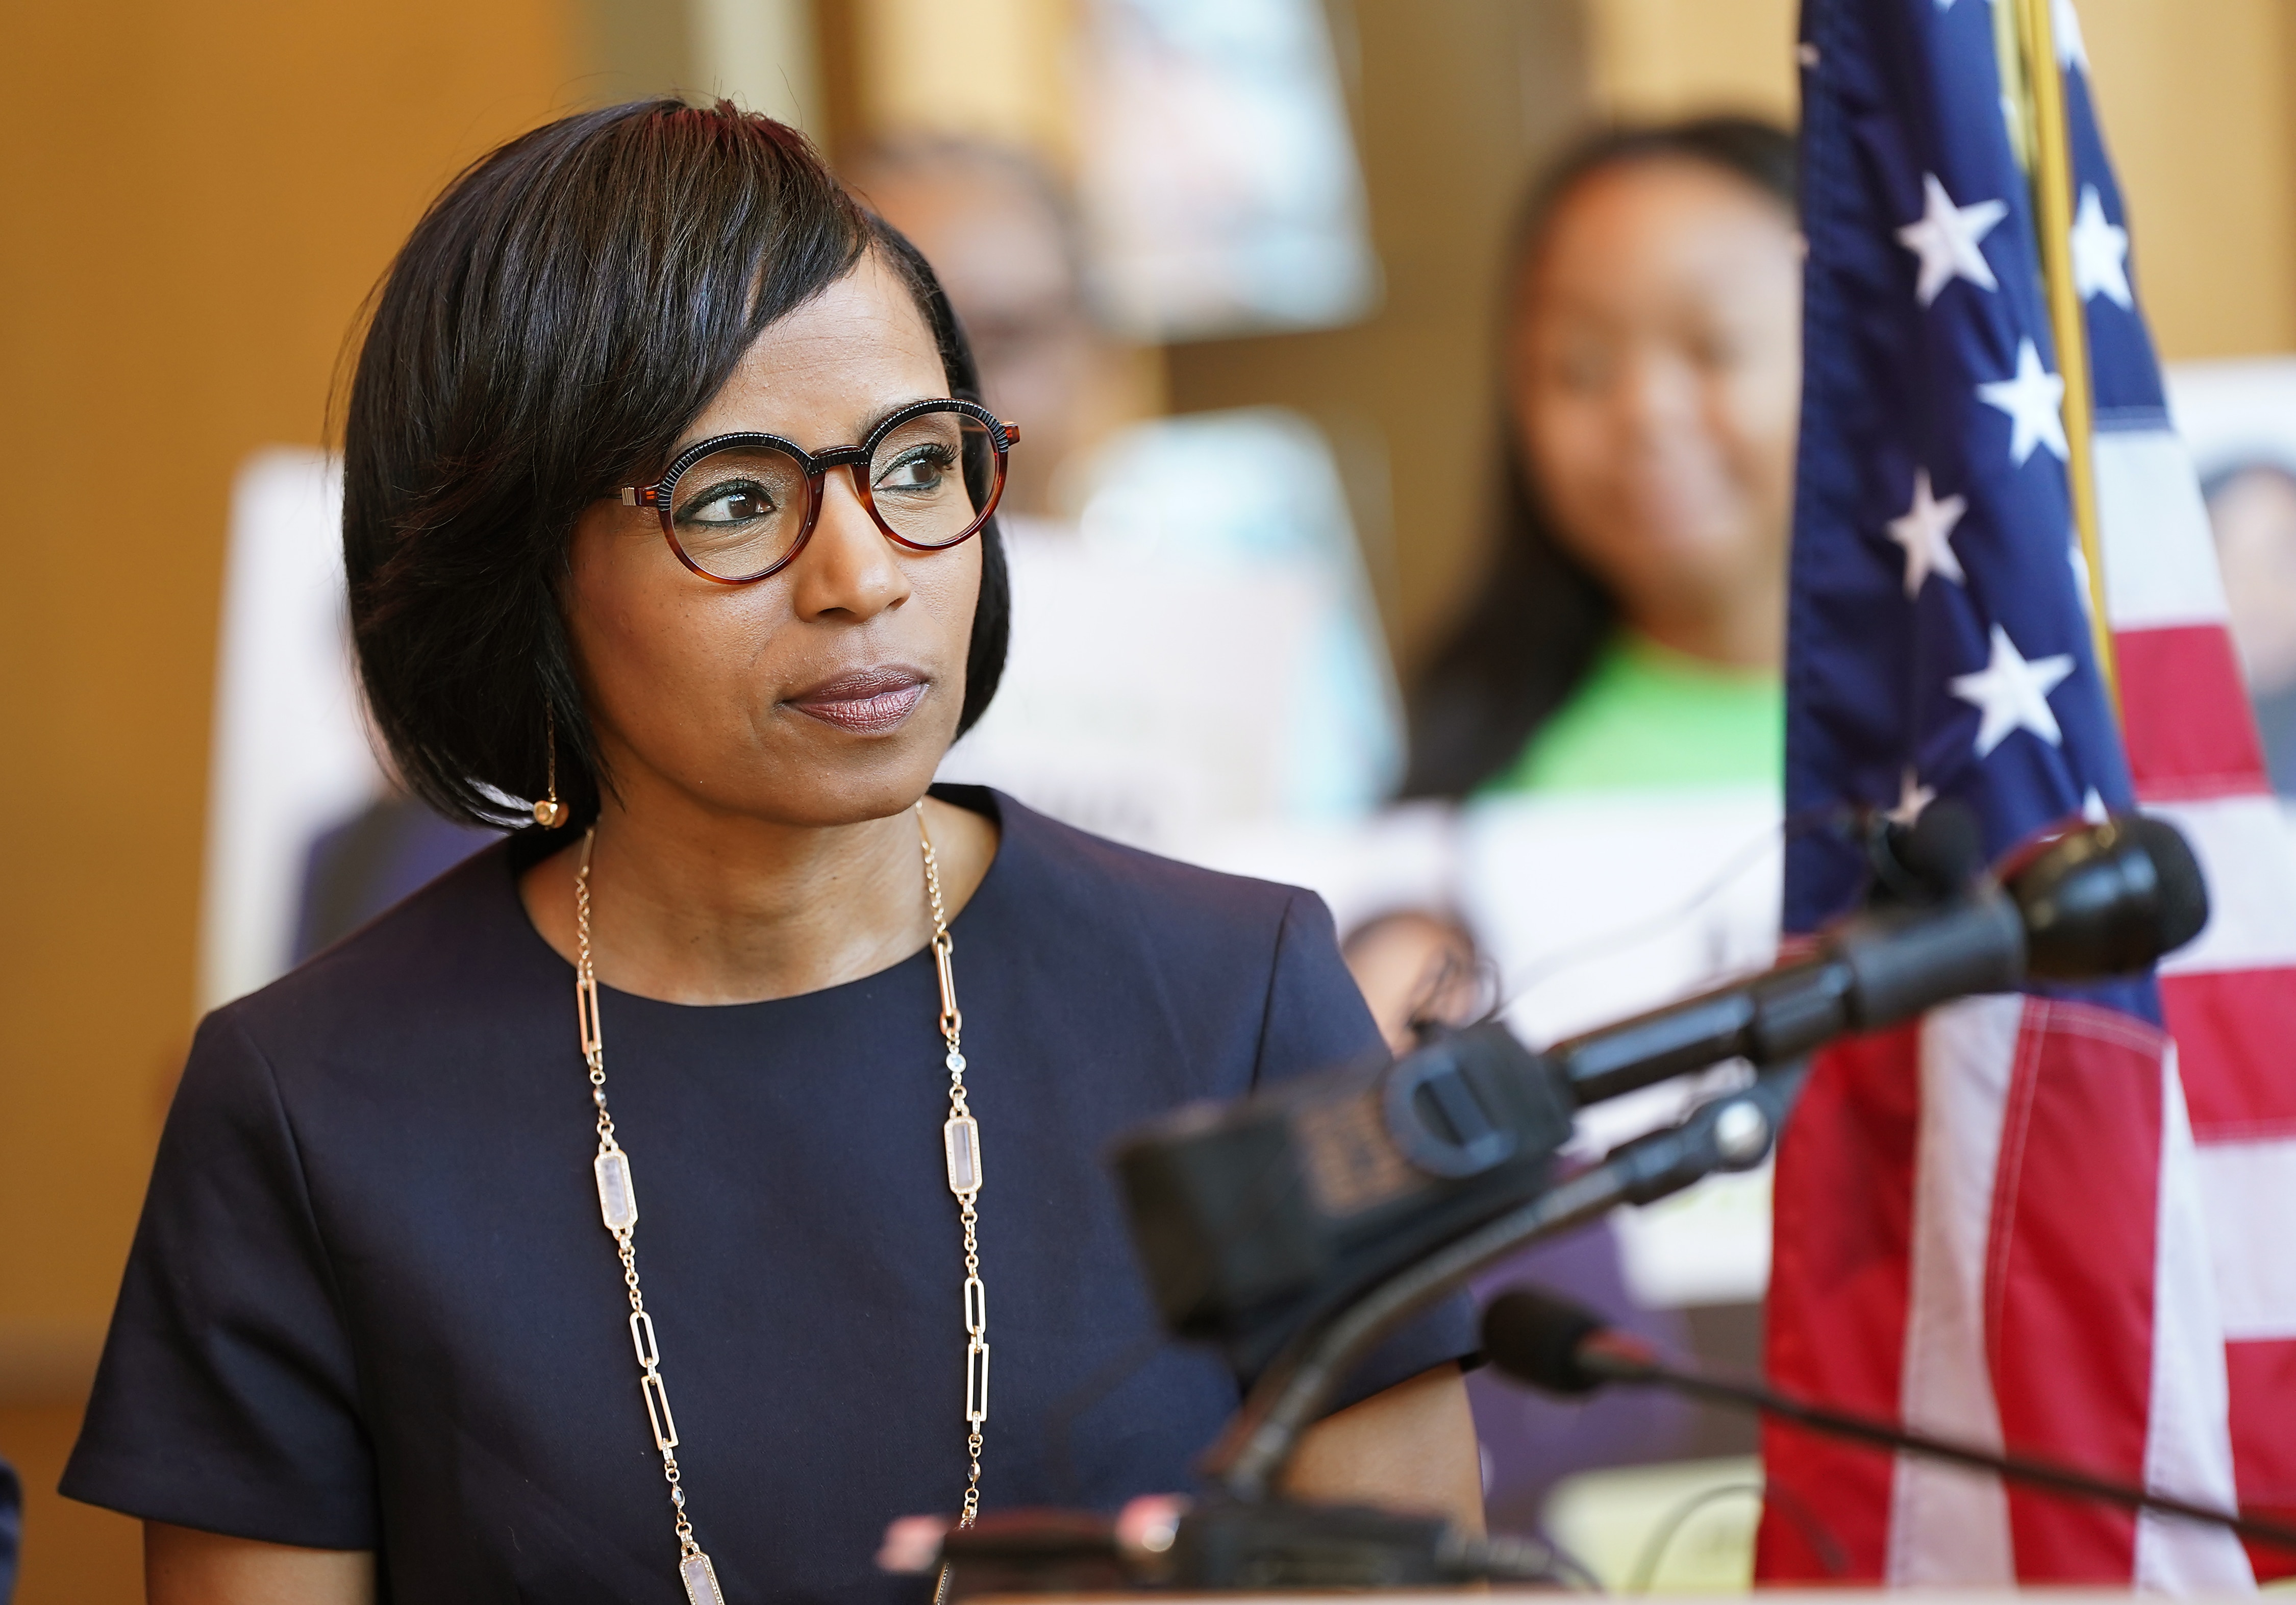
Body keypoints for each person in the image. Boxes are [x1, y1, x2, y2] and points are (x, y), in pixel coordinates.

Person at [61, 101, 1479, 1604]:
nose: (864, 575)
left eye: (917, 467)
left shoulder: (1242, 995)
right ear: (523, 564)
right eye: (734, 500)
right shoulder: (304, 1106)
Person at [1353, 116, 1802, 1534]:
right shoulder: (1462, 789)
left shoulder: (1995, 748)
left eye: (1713, 348)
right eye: (1576, 367)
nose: (1643, 414)